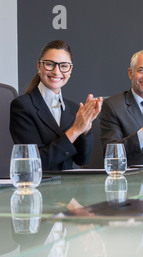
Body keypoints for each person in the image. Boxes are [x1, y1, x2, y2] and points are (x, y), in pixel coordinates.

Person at [10, 40, 102, 170]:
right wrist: (75, 130)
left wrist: (86, 127)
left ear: (70, 70)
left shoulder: (73, 109)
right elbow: (34, 164)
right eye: (49, 64)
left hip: (69, 188)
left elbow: (83, 159)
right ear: (39, 66)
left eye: (63, 66)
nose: (56, 71)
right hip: (38, 187)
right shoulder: (23, 106)